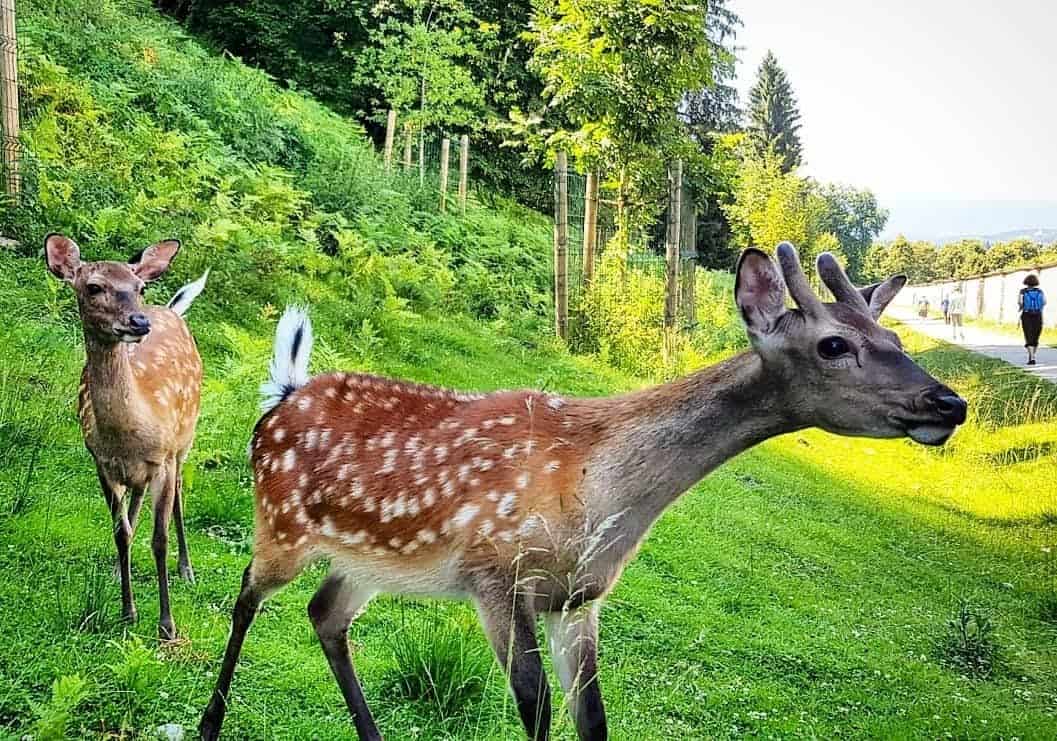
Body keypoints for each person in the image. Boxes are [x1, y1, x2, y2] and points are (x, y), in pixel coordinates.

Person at [1019, 274, 1046, 365]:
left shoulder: (1023, 291)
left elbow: (1020, 302)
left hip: (1026, 315)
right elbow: (1044, 302)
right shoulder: (1040, 291)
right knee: (1035, 336)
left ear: (1026, 282)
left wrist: (1021, 307)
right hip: (1038, 315)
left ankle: (1032, 358)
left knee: (1028, 335)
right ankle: (1033, 356)